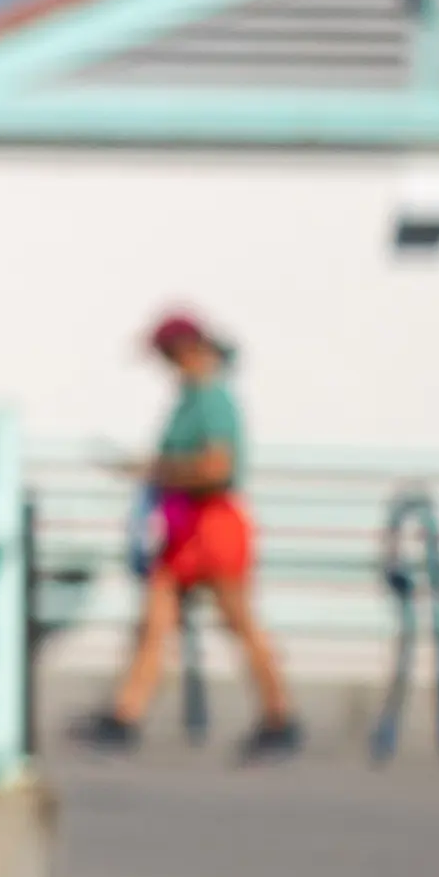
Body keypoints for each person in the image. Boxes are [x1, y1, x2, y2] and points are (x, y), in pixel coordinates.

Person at [85, 309, 297, 755]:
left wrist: (157, 470)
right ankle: (126, 714)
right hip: (182, 525)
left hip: (213, 523)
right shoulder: (189, 397)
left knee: (239, 622)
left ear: (184, 350)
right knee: (154, 623)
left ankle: (280, 714)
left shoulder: (212, 397)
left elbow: (216, 467)